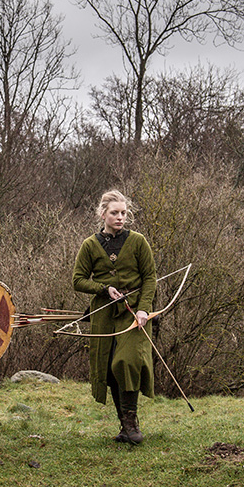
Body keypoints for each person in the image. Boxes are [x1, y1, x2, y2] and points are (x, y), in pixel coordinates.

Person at [72, 190, 157, 444]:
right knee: (109, 369)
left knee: (127, 361)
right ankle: (125, 425)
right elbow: (78, 280)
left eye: (123, 213)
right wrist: (103, 289)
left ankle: (132, 422)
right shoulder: (90, 245)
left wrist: (143, 309)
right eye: (115, 213)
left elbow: (150, 277)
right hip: (104, 314)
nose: (120, 217)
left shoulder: (138, 241)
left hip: (133, 313)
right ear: (103, 214)